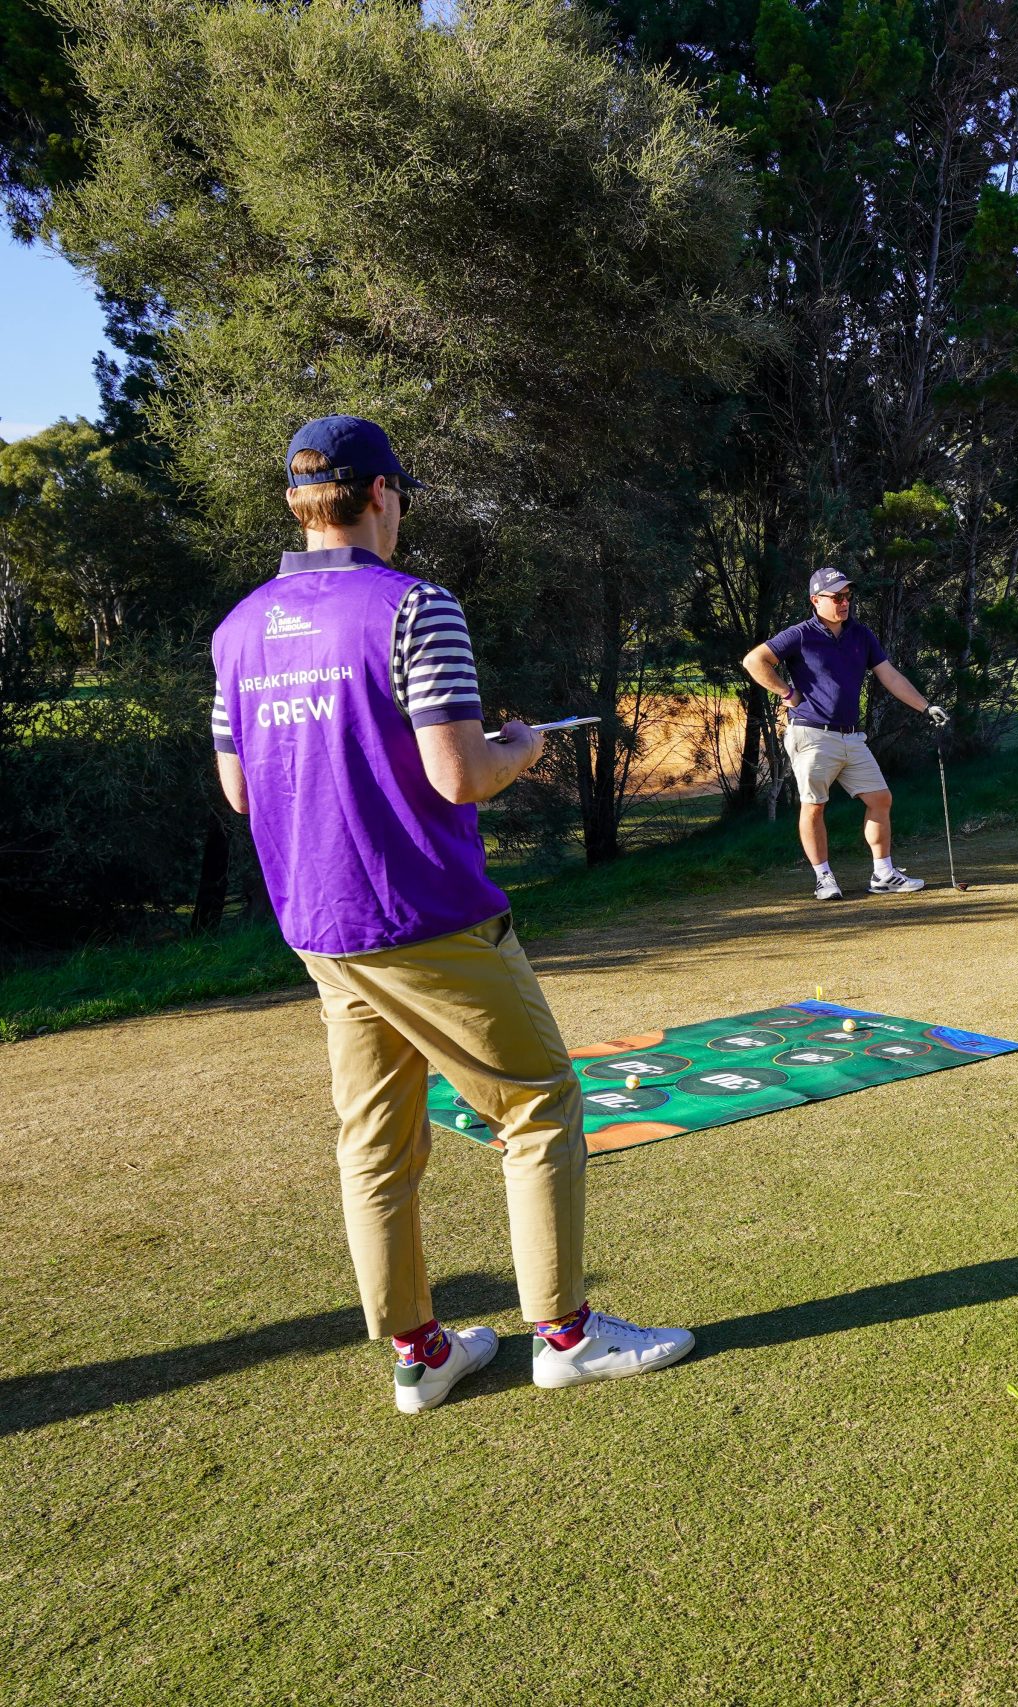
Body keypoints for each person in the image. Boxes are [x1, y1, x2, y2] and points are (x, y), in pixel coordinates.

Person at [211, 415, 692, 1414]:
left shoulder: (238, 628)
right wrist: (522, 747)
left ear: (299, 504)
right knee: (539, 1103)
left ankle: (421, 1355)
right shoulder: (415, 605)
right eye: (400, 496)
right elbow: (461, 774)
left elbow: (241, 792)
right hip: (426, 914)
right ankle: (565, 1335)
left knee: (375, 1143)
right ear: (381, 494)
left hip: (321, 927)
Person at [742, 567, 948, 901]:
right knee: (814, 805)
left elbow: (890, 676)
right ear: (816, 600)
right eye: (837, 597)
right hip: (812, 733)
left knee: (880, 798)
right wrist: (787, 693)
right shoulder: (800, 634)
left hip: (851, 737)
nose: (844, 602)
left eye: (848, 596)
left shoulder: (861, 635)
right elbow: (754, 661)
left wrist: (925, 707)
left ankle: (883, 874)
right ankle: (824, 878)